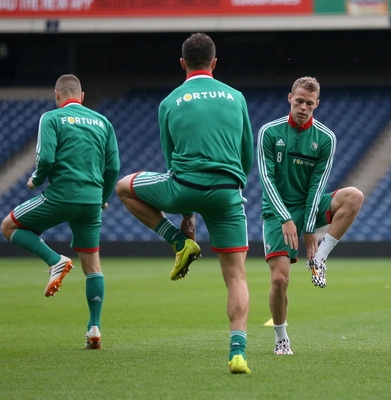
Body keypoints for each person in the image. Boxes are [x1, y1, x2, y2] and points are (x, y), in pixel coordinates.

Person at [115, 33, 253, 374]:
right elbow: (246, 153)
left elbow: (170, 159)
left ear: (182, 64)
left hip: (184, 186)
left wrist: (186, 216)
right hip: (228, 192)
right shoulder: (236, 97)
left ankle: (179, 242)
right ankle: (238, 353)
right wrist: (232, 188)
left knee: (122, 187)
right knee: (236, 277)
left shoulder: (169, 102)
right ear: (214, 63)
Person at [0, 74, 120, 350]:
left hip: (61, 195)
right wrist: (102, 197)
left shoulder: (51, 118)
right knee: (93, 266)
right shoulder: (103, 122)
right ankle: (94, 329)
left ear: (57, 95)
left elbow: (47, 157)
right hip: (91, 201)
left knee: (9, 226)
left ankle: (55, 261)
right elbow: (113, 167)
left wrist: (36, 179)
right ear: (82, 96)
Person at [257, 76, 364, 355]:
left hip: (308, 208)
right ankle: (281, 338)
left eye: (309, 103)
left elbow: (318, 186)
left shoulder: (325, 138)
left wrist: (309, 231)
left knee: (354, 196)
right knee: (280, 281)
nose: (303, 107)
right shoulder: (269, 132)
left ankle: (320, 256)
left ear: (317, 104)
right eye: (299, 100)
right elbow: (266, 181)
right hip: (276, 212)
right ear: (289, 98)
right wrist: (286, 218)